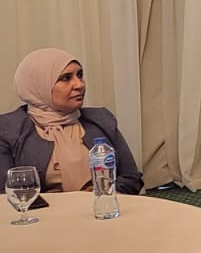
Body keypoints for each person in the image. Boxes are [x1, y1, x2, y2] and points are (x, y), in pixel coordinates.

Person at [2, 48, 142, 194]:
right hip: (45, 209)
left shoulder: (101, 119)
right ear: (38, 85)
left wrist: (103, 193)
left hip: (102, 205)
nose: (79, 85)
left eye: (80, 75)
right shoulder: (8, 130)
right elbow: (6, 193)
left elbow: (131, 178)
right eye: (66, 78)